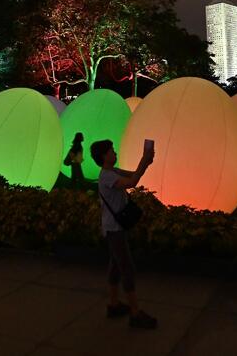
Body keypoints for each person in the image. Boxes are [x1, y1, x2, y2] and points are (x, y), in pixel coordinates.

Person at [93, 138, 157, 330]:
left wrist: (145, 163)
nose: (114, 152)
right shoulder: (107, 176)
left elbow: (134, 176)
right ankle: (135, 313)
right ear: (104, 156)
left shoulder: (112, 172)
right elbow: (133, 181)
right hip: (115, 229)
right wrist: (144, 160)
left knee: (115, 265)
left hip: (114, 228)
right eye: (111, 150)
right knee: (127, 268)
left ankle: (114, 304)